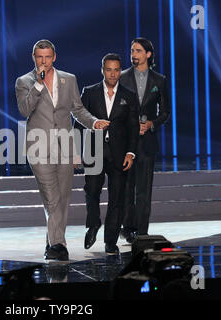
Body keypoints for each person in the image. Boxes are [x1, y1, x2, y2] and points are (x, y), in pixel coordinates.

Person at [15, 39, 110, 261]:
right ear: (34, 58)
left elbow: (77, 109)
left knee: (63, 197)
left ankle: (52, 240)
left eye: (48, 57)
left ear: (54, 57)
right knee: (51, 197)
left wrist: (94, 122)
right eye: (40, 57)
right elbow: (24, 109)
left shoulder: (68, 79)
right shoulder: (24, 81)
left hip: (65, 146)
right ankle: (58, 244)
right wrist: (38, 85)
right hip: (39, 147)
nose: (44, 61)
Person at [80, 53, 139, 255]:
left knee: (117, 198)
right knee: (92, 190)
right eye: (108, 69)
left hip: (119, 153)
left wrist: (131, 153)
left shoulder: (129, 95)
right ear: (102, 70)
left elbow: (133, 127)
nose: (112, 74)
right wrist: (75, 152)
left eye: (116, 70)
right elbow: (79, 122)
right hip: (94, 151)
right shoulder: (89, 92)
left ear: (120, 71)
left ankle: (110, 240)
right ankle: (93, 224)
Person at [120, 38, 170, 242]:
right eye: (132, 50)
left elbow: (165, 112)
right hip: (125, 142)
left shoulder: (159, 80)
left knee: (143, 190)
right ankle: (127, 227)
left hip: (147, 142)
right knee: (125, 188)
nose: (134, 54)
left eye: (138, 51)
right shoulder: (122, 78)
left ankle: (141, 232)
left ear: (148, 54)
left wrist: (152, 124)